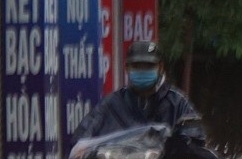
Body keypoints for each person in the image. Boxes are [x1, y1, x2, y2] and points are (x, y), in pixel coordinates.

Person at [68, 39, 206, 147]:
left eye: (149, 66)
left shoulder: (177, 103)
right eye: (136, 66)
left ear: (161, 67)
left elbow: (195, 140)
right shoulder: (113, 103)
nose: (142, 70)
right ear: (127, 68)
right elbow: (82, 137)